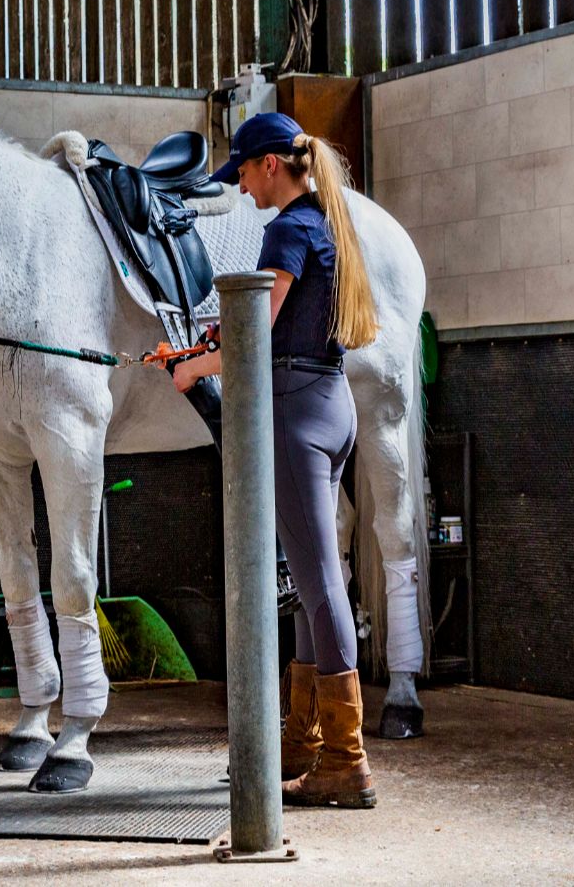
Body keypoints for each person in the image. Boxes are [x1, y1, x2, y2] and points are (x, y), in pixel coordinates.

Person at [171, 111, 381, 810]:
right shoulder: (325, 221)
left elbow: (254, 329)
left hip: (293, 410)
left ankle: (346, 761)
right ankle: (301, 745)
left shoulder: (287, 228)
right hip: (327, 397)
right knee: (305, 581)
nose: (245, 192)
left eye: (246, 177)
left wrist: (192, 368)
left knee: (320, 585)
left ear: (269, 165)